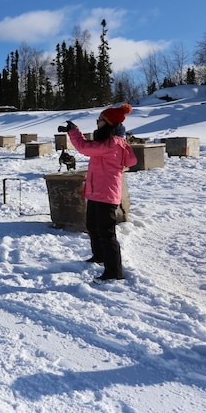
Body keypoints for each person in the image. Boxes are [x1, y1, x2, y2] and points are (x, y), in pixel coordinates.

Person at [66, 103, 137, 281]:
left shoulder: (111, 143)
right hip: (96, 192)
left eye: (100, 120)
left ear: (108, 124)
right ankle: (99, 256)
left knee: (106, 233)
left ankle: (114, 271)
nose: (97, 123)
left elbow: (84, 148)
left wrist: (74, 132)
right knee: (93, 227)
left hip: (105, 194)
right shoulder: (110, 141)